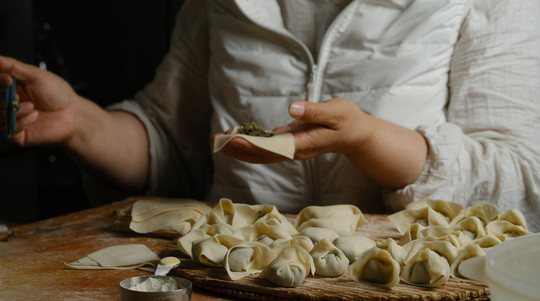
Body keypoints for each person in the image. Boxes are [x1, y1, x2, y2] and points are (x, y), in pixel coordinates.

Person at [1, 0, 539, 231]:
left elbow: (522, 186)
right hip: (227, 292)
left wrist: (368, 140)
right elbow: (174, 144)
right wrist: (80, 123)